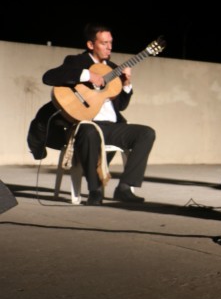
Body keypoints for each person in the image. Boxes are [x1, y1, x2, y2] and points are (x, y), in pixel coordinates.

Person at [40, 23, 156, 205]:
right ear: (91, 45)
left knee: (146, 133)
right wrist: (88, 76)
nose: (109, 47)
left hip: (112, 127)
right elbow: (49, 77)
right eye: (104, 43)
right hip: (86, 125)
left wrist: (126, 84)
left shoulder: (114, 68)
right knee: (89, 132)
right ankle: (94, 190)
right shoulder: (76, 62)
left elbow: (122, 106)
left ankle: (124, 187)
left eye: (110, 42)